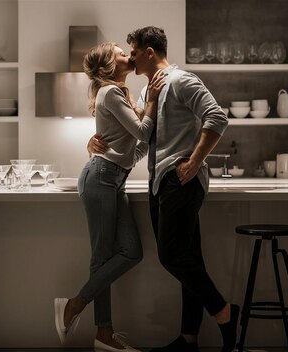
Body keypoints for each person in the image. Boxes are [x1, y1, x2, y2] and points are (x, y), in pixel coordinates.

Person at [88, 26, 239, 352]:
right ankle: (189, 339)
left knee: (172, 255)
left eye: (132, 52)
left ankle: (225, 312)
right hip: (161, 182)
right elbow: (143, 145)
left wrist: (195, 161)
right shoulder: (146, 95)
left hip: (182, 179)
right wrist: (103, 149)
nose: (130, 58)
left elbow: (217, 118)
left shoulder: (182, 80)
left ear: (149, 52)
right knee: (188, 258)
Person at [54, 42, 165, 352]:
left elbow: (136, 148)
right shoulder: (111, 93)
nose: (126, 54)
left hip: (114, 179)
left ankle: (83, 312)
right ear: (109, 64)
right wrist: (153, 100)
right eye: (119, 51)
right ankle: (92, 324)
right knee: (102, 256)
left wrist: (146, 120)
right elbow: (144, 132)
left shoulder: (122, 95)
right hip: (100, 178)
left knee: (131, 252)